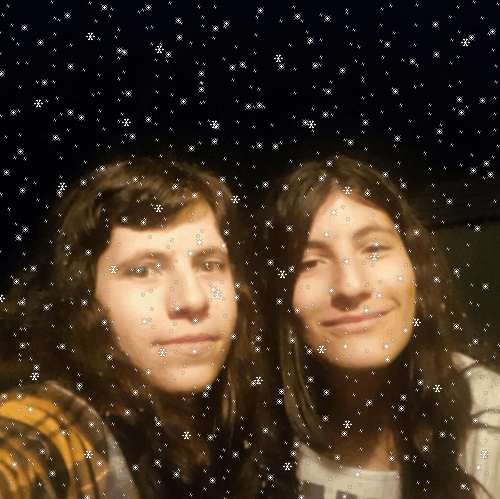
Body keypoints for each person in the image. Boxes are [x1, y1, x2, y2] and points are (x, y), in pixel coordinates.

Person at [0, 156, 291, 498]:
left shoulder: (239, 426)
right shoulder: (55, 426)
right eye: (143, 270)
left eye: (210, 265)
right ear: (84, 297)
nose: (193, 299)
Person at [259, 154, 500, 499]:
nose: (350, 285)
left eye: (373, 248)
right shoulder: (249, 428)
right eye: (309, 262)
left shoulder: (490, 423)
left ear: (414, 263)